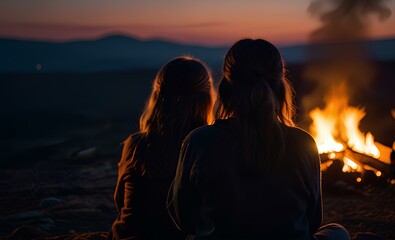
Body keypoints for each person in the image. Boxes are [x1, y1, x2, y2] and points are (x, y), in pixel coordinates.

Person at [170, 39, 350, 240]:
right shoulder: (303, 143)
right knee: (337, 233)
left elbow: (184, 219)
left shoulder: (198, 141)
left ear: (227, 87)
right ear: (280, 87)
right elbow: (313, 220)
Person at [109, 56, 214, 240]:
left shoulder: (136, 145)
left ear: (157, 96)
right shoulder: (208, 147)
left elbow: (120, 202)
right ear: (207, 98)